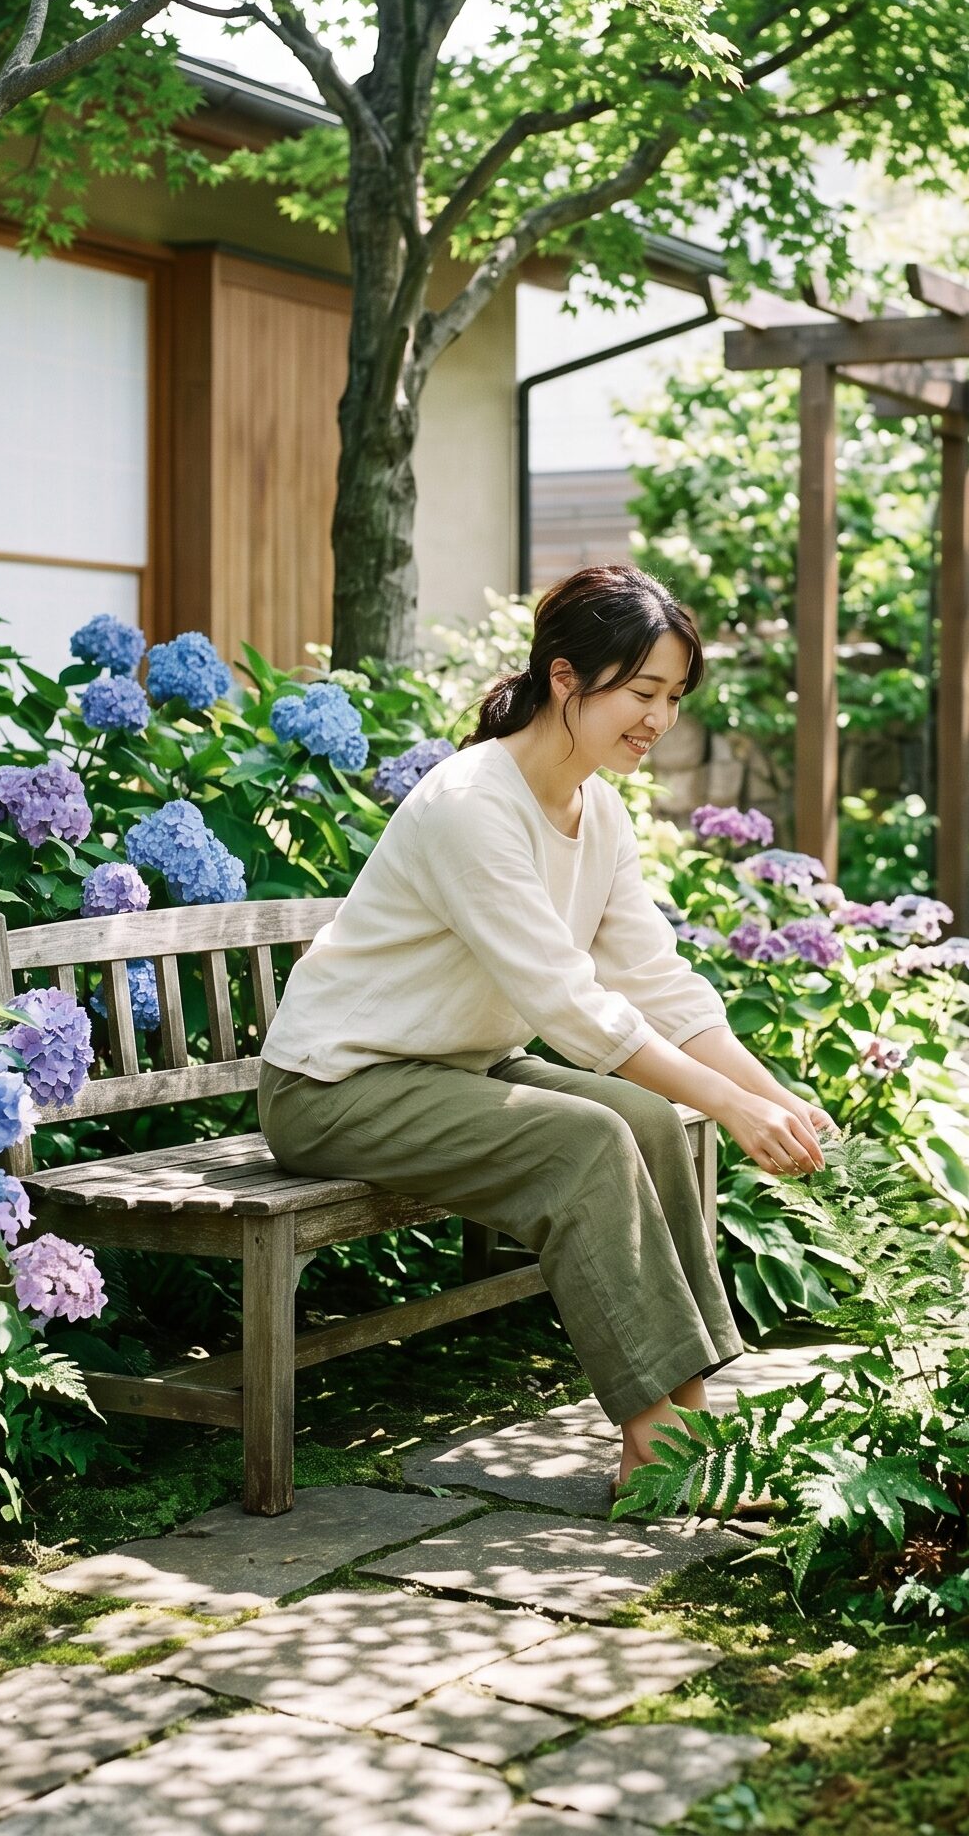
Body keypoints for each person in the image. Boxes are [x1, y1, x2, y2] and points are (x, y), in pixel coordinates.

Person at [259, 564, 833, 1501]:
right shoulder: (471, 804)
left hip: (462, 1068)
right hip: (336, 1089)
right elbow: (571, 1004)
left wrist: (768, 1095)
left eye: (674, 697)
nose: (659, 718)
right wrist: (733, 1107)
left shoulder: (597, 808)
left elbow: (658, 983)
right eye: (641, 691)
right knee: (590, 1140)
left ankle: (689, 1419)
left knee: (650, 1121)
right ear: (566, 679)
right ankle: (659, 1453)